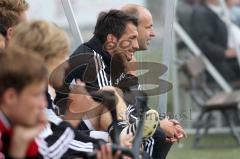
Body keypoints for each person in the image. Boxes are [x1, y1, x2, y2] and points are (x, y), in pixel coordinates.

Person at [7, 20, 122, 159]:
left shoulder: (38, 93)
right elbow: (49, 149)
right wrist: (73, 116)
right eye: (63, 54)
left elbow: (52, 138)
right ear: (45, 59)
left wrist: (106, 144)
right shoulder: (27, 97)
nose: (68, 61)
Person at [121, 4, 186, 159]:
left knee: (163, 134)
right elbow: (119, 113)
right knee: (158, 134)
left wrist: (163, 122)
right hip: (115, 132)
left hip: (128, 126)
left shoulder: (129, 59)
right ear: (132, 29)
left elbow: (136, 105)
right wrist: (159, 125)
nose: (153, 34)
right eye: (148, 27)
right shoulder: (117, 62)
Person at [0, 49, 48, 158]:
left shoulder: (18, 123)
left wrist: (21, 144)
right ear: (11, 97)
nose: (43, 104)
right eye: (36, 95)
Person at [191, 0, 240, 82]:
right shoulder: (202, 13)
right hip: (226, 64)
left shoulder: (219, 10)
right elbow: (203, 43)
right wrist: (226, 53)